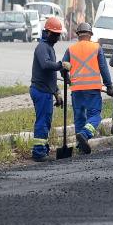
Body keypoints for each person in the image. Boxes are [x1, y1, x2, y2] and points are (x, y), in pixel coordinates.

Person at [61, 21, 113, 155]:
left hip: (76, 89)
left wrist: (67, 78)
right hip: (92, 89)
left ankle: (80, 145)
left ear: (78, 34)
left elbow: (63, 67)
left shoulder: (71, 49)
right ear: (90, 34)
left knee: (79, 116)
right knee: (95, 115)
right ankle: (85, 134)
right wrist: (109, 86)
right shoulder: (96, 47)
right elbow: (103, 68)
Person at [29, 16, 67, 162]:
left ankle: (43, 148)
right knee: (42, 121)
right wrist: (61, 65)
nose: (57, 38)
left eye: (58, 35)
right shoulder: (42, 47)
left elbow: (51, 75)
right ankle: (38, 152)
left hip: (46, 91)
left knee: (46, 121)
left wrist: (57, 93)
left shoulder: (49, 48)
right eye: (55, 34)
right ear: (48, 32)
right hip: (40, 91)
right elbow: (46, 65)